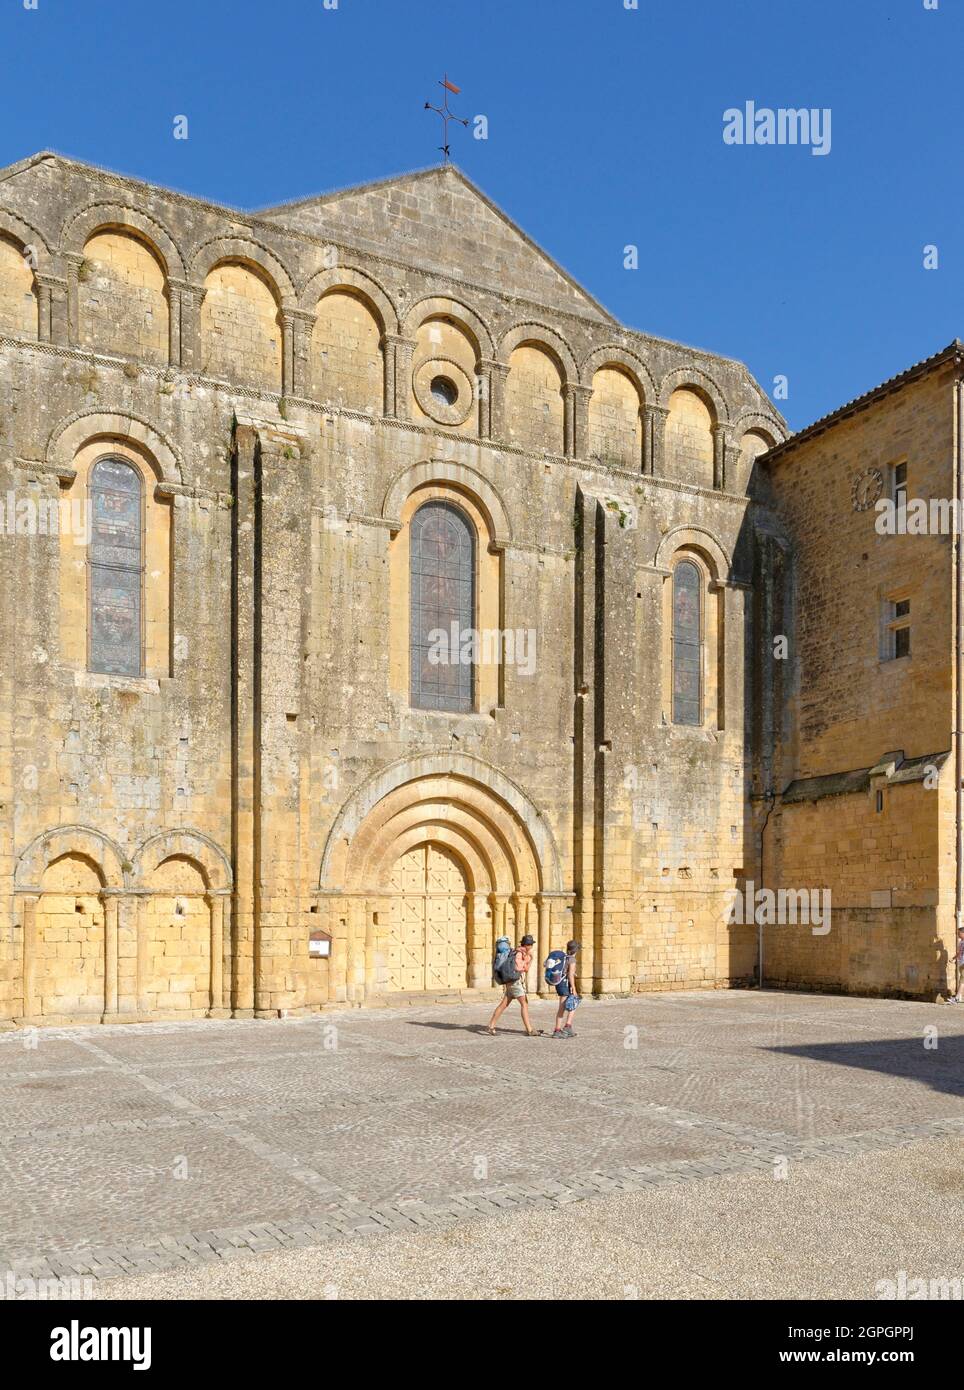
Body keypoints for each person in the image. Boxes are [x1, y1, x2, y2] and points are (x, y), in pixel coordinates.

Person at [487, 934, 539, 1035]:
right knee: (524, 1004)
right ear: (527, 945)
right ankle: (530, 1030)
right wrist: (530, 960)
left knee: (503, 1005)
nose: (532, 947)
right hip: (515, 982)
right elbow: (519, 968)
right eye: (531, 945)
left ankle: (491, 1026)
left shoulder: (516, 951)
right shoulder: (520, 954)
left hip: (511, 982)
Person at [551, 941, 580, 1039]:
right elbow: (570, 975)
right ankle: (557, 1030)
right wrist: (574, 988)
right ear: (576, 950)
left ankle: (568, 1026)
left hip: (560, 983)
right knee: (562, 1007)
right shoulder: (572, 959)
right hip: (565, 984)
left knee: (573, 1003)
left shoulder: (564, 958)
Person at [948, 925, 964, 1002]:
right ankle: (957, 998)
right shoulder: (960, 942)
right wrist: (953, 959)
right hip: (961, 963)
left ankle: (957, 998)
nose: (958, 934)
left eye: (959, 933)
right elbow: (958, 953)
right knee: (962, 980)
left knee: (962, 981)